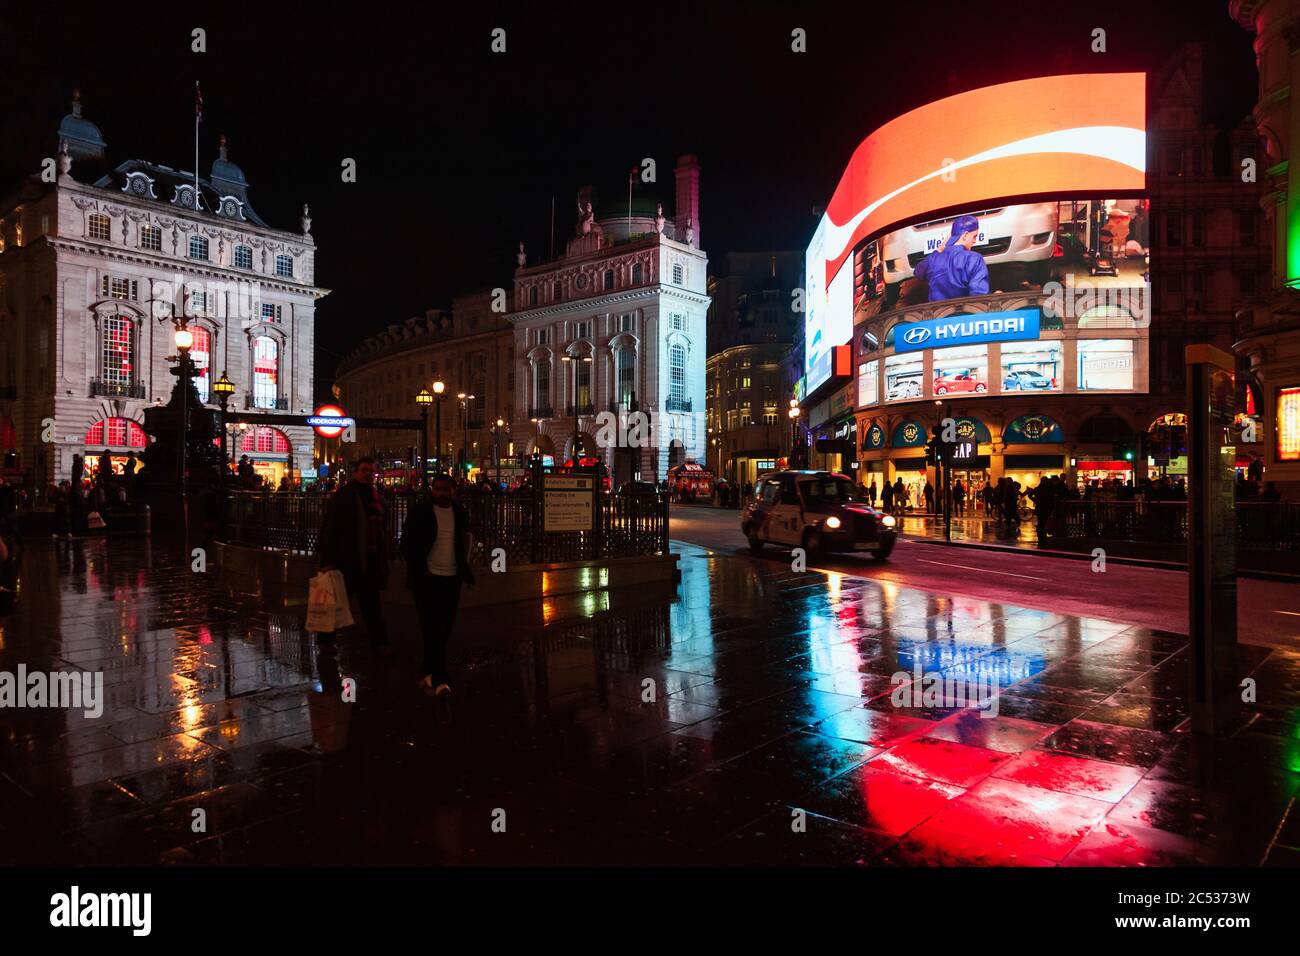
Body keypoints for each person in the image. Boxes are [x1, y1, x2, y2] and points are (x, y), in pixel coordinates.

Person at [399, 473, 476, 696]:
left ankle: (426, 668)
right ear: (432, 490)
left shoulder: (459, 512)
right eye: (438, 488)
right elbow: (408, 542)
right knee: (431, 626)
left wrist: (464, 571)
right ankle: (440, 676)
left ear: (453, 491)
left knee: (444, 626)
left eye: (446, 489)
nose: (441, 492)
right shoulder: (421, 511)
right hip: (427, 577)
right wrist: (418, 567)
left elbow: (462, 541)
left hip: (451, 577)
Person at [317, 457, 391, 655]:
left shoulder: (377, 496)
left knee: (371, 604)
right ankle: (325, 640)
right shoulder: (345, 495)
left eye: (371, 470)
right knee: (339, 602)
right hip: (347, 559)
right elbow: (331, 527)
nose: (368, 473)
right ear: (356, 473)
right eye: (364, 470)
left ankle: (379, 642)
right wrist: (328, 561)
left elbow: (383, 528)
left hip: (370, 559)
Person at [913, 214, 990, 301]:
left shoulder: (933, 259)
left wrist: (940, 248)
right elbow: (980, 299)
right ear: (965, 235)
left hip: (938, 313)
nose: (975, 241)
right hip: (966, 313)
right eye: (974, 236)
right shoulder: (974, 259)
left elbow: (917, 272)